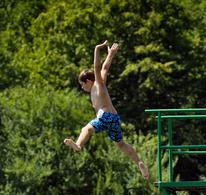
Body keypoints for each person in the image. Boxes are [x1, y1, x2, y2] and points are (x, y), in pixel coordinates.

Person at [63, 41, 150, 180]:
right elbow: (105, 67)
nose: (82, 88)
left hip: (105, 116)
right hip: (114, 118)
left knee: (87, 129)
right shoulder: (100, 83)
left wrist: (97, 49)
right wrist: (111, 54)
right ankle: (139, 163)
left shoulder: (97, 84)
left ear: (88, 81)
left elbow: (98, 66)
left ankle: (78, 145)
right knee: (121, 144)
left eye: (82, 84)